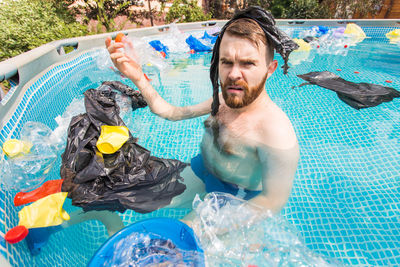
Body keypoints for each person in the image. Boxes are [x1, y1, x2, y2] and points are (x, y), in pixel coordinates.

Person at [105, 7, 299, 224]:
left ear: (270, 68)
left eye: (247, 63)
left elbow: (273, 200)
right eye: (226, 62)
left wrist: (212, 228)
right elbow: (170, 112)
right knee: (123, 198)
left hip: (236, 197)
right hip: (202, 171)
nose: (234, 74)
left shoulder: (275, 132)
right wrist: (137, 76)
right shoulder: (223, 101)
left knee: (169, 249)